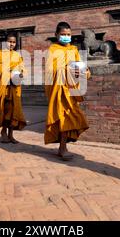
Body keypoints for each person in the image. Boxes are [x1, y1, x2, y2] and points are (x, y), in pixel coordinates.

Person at [44, 22, 91, 160]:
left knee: (71, 116)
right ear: (56, 35)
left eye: (68, 35)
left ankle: (62, 146)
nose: (66, 37)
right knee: (62, 117)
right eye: (63, 34)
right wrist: (66, 70)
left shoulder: (74, 50)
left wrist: (85, 71)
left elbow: (79, 67)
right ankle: (63, 147)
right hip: (58, 90)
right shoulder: (52, 50)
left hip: (70, 90)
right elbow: (49, 71)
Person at [0, 34, 26, 143]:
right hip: (6, 86)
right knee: (6, 109)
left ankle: (11, 134)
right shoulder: (0, 54)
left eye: (13, 42)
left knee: (14, 110)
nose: (11, 44)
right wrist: (9, 73)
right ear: (5, 42)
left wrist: (20, 74)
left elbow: (22, 68)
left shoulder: (17, 55)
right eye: (9, 41)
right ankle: (3, 131)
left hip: (15, 86)